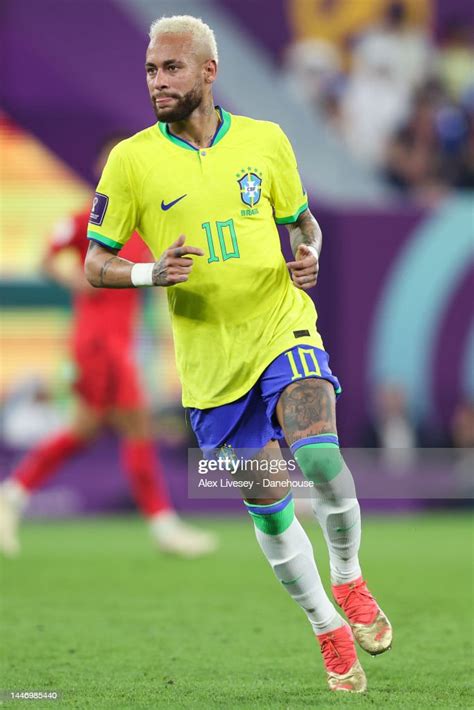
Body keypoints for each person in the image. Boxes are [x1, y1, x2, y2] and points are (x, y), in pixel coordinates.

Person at [83, 16, 392, 693]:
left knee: (319, 456)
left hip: (281, 325)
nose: (157, 82)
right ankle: (326, 629)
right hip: (210, 366)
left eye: (171, 69)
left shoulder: (266, 141)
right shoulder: (132, 160)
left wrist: (311, 250)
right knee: (271, 502)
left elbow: (301, 220)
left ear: (208, 73)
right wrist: (148, 274)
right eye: (150, 71)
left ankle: (349, 579)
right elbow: (94, 262)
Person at [0, 136, 218, 560]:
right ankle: (163, 525)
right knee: (136, 425)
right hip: (99, 341)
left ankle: (12, 493)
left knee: (82, 432)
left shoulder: (143, 222)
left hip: (118, 340)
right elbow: (48, 256)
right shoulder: (90, 217)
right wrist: (76, 282)